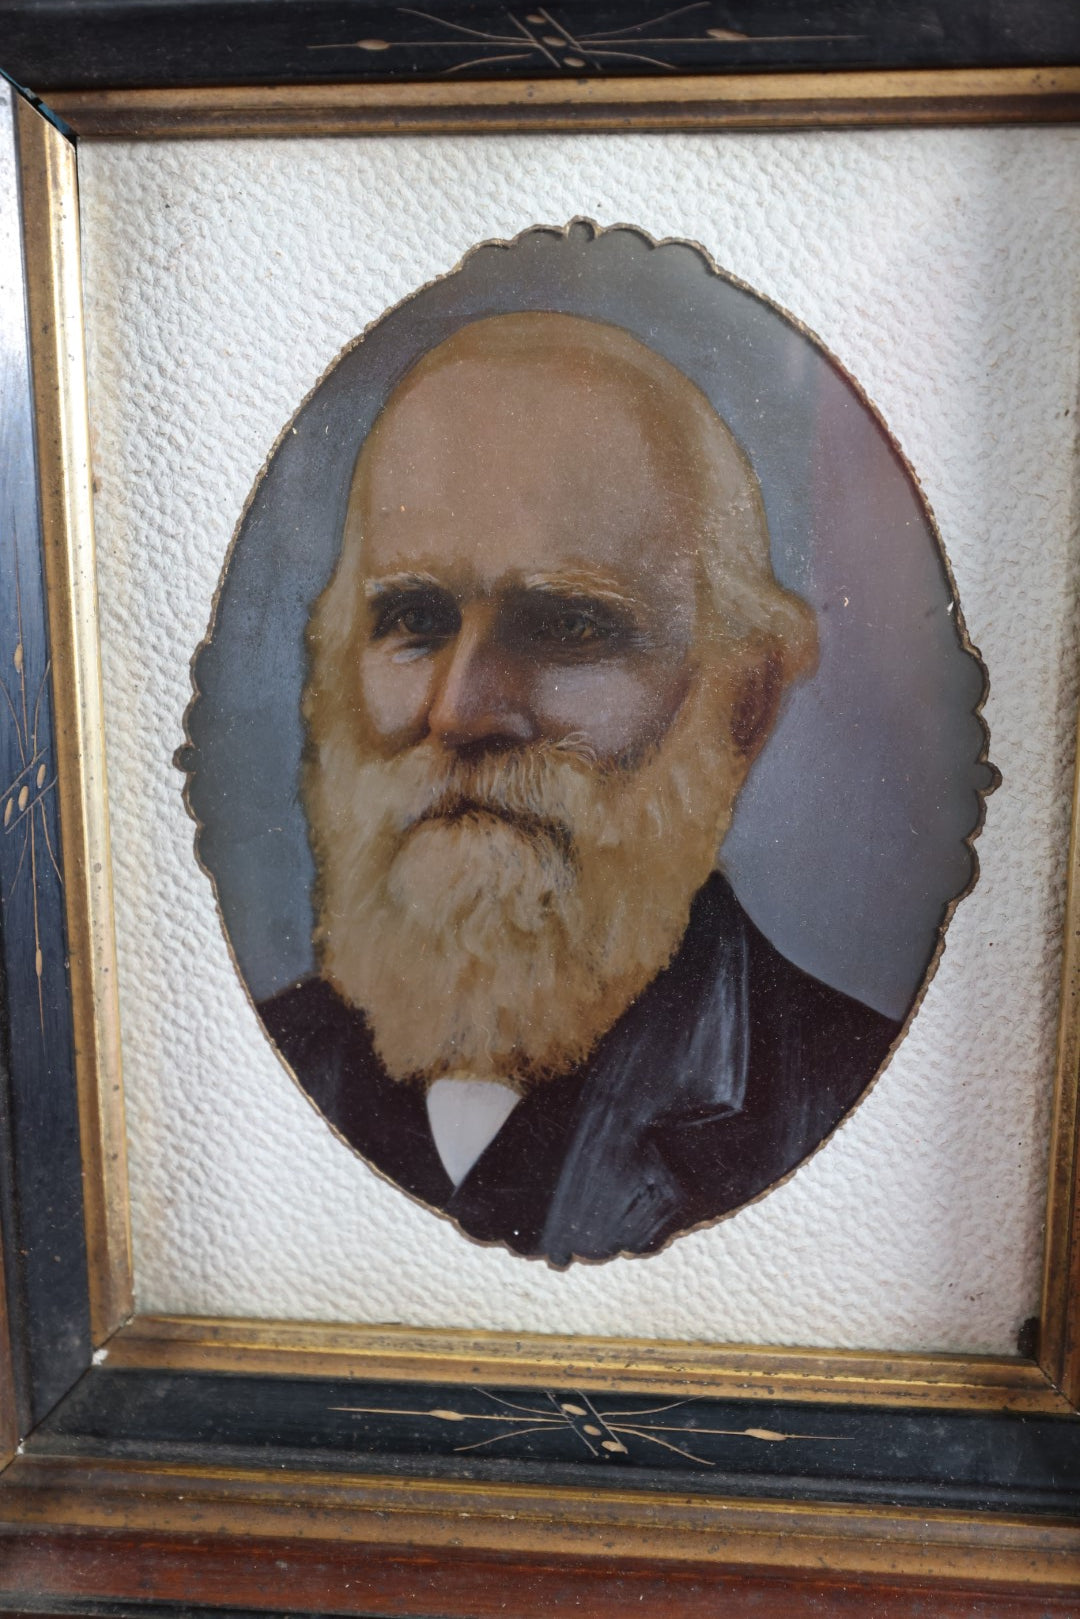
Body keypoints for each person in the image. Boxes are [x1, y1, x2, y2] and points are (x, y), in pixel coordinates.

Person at [259, 311, 899, 1265]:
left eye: (567, 628)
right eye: (415, 618)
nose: (461, 709)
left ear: (741, 703)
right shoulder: (249, 1071)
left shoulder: (852, 1096)